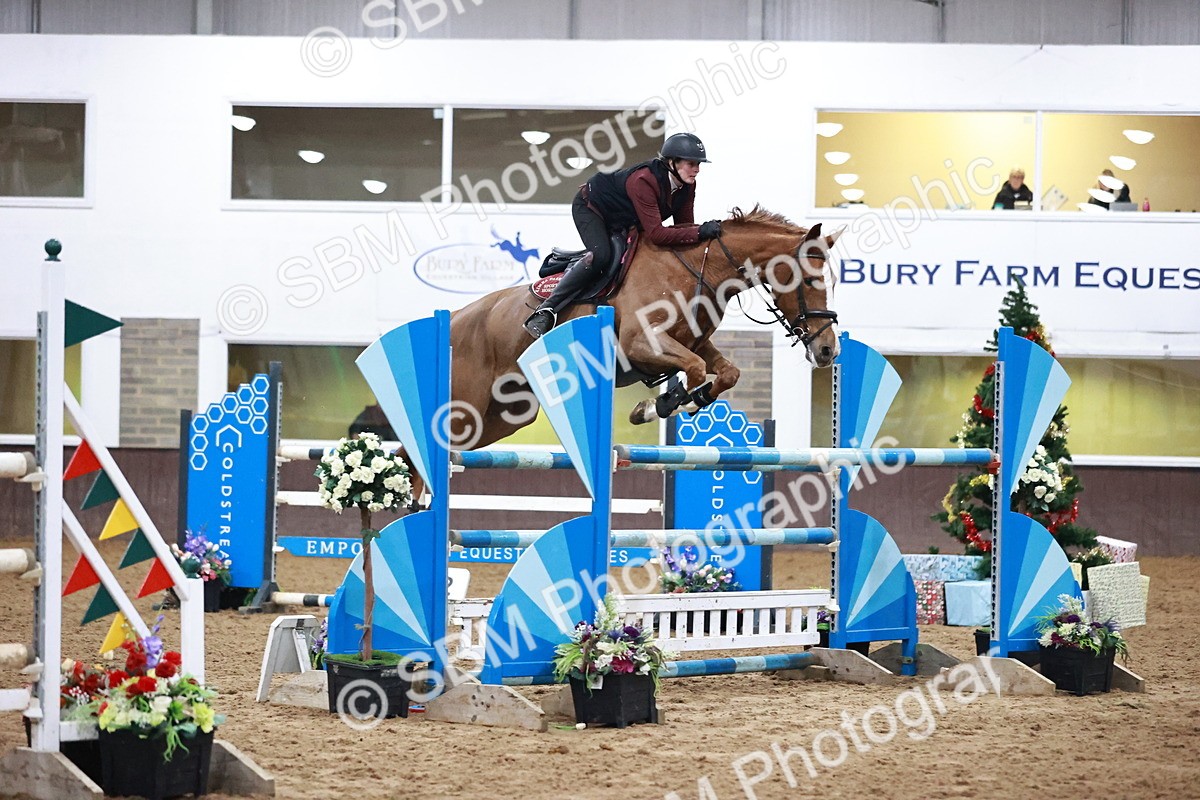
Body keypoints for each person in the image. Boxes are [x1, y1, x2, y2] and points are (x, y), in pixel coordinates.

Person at [523, 132, 723, 338]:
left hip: (626, 217)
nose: (697, 170)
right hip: (592, 207)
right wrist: (699, 231)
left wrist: (703, 235)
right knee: (602, 256)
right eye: (692, 163)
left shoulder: (687, 186)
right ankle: (546, 310)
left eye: (699, 164)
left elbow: (684, 227)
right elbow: (657, 234)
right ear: (672, 162)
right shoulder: (643, 180)